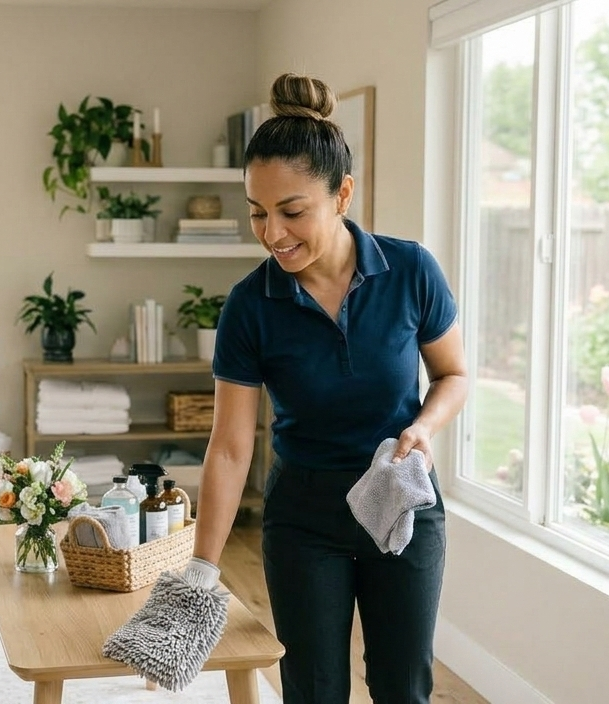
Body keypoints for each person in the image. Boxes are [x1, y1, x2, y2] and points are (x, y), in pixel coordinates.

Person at [186, 74, 469, 703]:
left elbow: (453, 374)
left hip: (400, 501)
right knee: (312, 689)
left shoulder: (411, 270)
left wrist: (424, 427)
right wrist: (203, 568)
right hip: (304, 516)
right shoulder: (250, 306)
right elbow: (231, 448)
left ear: (342, 194)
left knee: (404, 683)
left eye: (292, 211)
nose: (272, 232)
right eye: (258, 212)